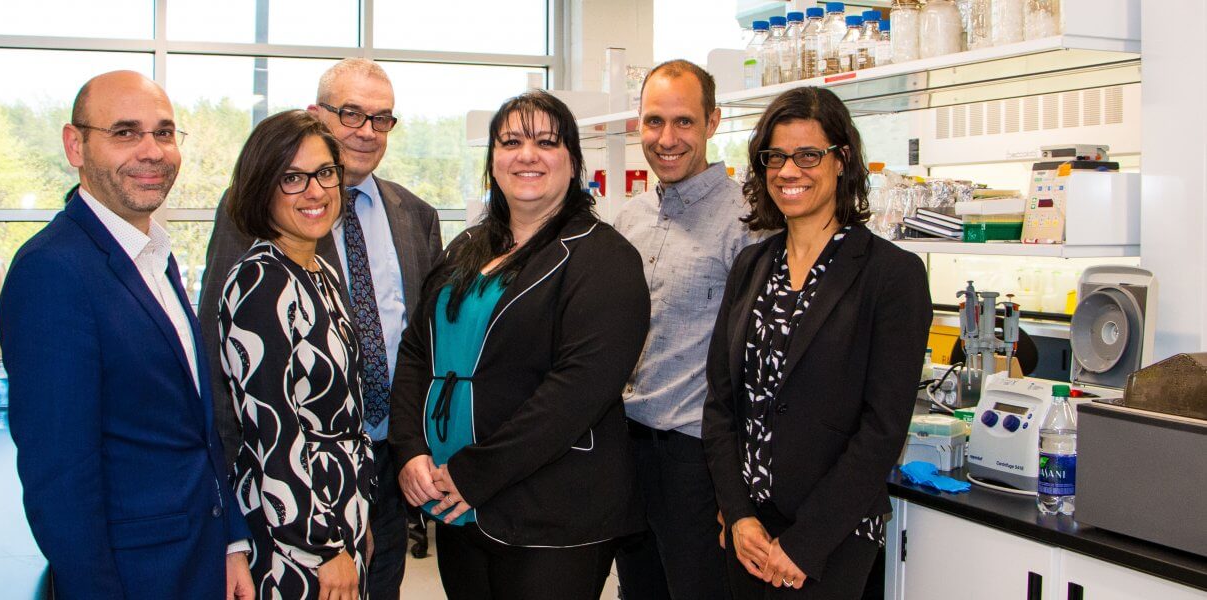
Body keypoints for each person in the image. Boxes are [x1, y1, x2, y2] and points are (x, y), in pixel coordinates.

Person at [0, 70, 253, 599]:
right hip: (134, 576)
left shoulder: (154, 256)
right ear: (75, 144)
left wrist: (230, 542)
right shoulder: (53, 271)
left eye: (164, 133)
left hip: (197, 556)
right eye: (124, 132)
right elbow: (60, 476)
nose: (152, 151)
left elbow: (194, 430)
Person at [388, 90, 651, 600]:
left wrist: (470, 474)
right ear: (493, 160)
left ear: (573, 160)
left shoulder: (605, 260)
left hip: (552, 513)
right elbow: (418, 352)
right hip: (457, 505)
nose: (526, 154)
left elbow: (575, 395)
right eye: (510, 141)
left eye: (546, 142)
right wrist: (409, 449)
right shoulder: (467, 248)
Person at [198, 58, 442, 599]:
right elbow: (233, 380)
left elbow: (423, 349)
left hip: (380, 467)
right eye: (351, 113)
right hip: (291, 498)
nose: (366, 131)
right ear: (316, 114)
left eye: (381, 119)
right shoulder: (259, 236)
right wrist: (233, 528)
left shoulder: (415, 217)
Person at [701, 86, 932, 598]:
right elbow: (721, 405)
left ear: (842, 160)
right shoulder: (752, 266)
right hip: (750, 534)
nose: (789, 171)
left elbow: (883, 428)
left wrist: (806, 543)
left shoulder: (891, 276)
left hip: (832, 538)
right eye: (775, 157)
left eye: (808, 155)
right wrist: (738, 514)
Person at [612, 59, 762, 600]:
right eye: (654, 122)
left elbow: (758, 363)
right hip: (627, 448)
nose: (667, 138)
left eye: (684, 122)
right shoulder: (627, 218)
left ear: (713, 122)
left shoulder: (749, 221)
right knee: (640, 591)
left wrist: (738, 493)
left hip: (697, 459)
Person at [217, 109, 372, 599]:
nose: (315, 191)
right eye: (292, 178)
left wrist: (357, 521)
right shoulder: (261, 283)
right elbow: (274, 433)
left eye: (325, 172)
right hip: (297, 540)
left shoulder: (318, 271)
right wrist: (325, 547)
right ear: (262, 188)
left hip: (339, 518)